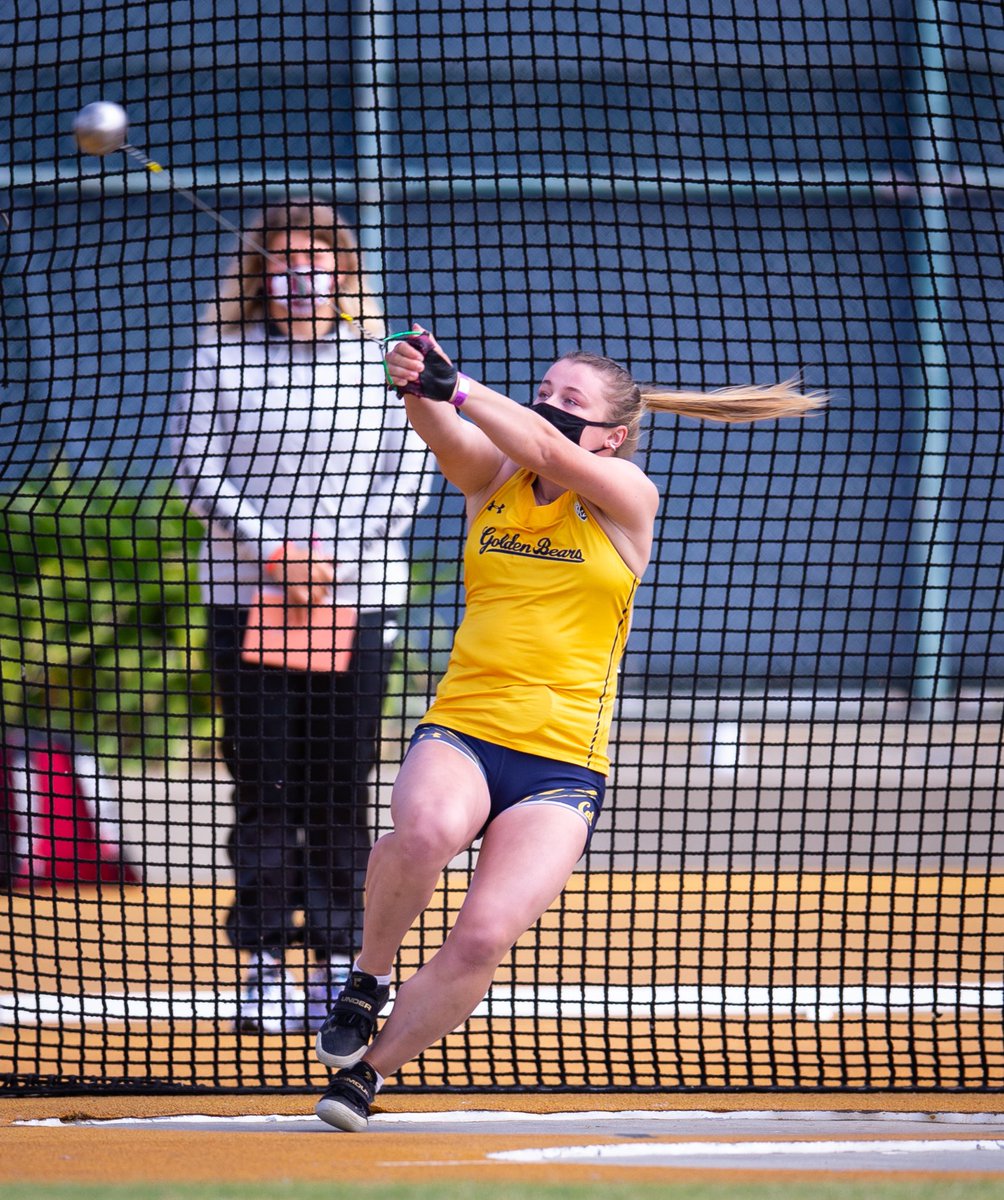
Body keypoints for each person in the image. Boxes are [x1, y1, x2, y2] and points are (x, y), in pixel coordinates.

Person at [312, 328, 823, 1129]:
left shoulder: (626, 495)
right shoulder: (496, 475)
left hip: (562, 764)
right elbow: (445, 426)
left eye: (570, 398)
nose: (549, 403)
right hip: (465, 729)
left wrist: (464, 387)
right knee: (426, 833)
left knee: (483, 936)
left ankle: (366, 1077)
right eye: (545, 389)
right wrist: (418, 381)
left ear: (613, 434)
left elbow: (542, 442)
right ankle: (367, 980)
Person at [171, 202, 431, 1034]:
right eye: (280, 264)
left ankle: (334, 962)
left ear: (342, 275)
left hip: (359, 601)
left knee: (338, 787)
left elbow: (409, 475)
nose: (297, 278)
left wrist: (334, 567)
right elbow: (195, 468)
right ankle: (260, 965)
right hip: (245, 597)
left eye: (314, 263)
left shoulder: (384, 362)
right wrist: (272, 554)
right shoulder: (220, 352)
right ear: (260, 276)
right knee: (264, 785)